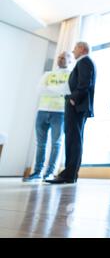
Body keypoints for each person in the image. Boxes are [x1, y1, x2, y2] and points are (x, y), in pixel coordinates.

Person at [46, 41, 96, 184]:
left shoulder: (84, 62)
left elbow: (85, 83)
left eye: (74, 49)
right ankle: (70, 174)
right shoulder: (83, 62)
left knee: (73, 140)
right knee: (74, 139)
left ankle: (68, 175)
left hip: (76, 106)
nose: (73, 52)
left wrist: (73, 98)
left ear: (81, 49)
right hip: (78, 106)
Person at [23, 51, 72, 182]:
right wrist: (57, 90)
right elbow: (39, 90)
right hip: (42, 111)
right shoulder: (48, 74)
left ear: (70, 60)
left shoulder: (70, 75)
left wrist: (49, 89)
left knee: (56, 143)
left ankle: (49, 173)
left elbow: (67, 90)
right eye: (59, 57)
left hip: (60, 112)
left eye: (64, 58)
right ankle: (37, 172)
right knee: (40, 144)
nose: (60, 59)